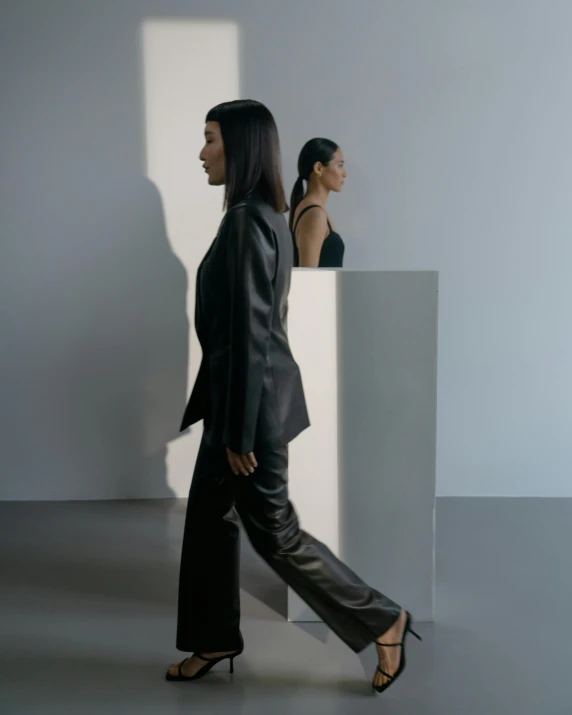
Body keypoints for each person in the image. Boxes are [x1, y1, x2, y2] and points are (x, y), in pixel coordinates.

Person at [165, 99, 421, 694]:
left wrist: (236, 431)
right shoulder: (263, 217)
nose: (201, 153)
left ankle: (384, 619)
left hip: (248, 412)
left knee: (275, 532)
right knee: (207, 520)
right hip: (237, 402)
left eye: (210, 139)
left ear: (240, 145)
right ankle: (214, 637)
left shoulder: (249, 222)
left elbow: (254, 335)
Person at [289, 138, 347, 268]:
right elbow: (309, 279)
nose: (345, 173)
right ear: (318, 168)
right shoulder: (315, 215)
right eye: (340, 165)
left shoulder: (314, 211)